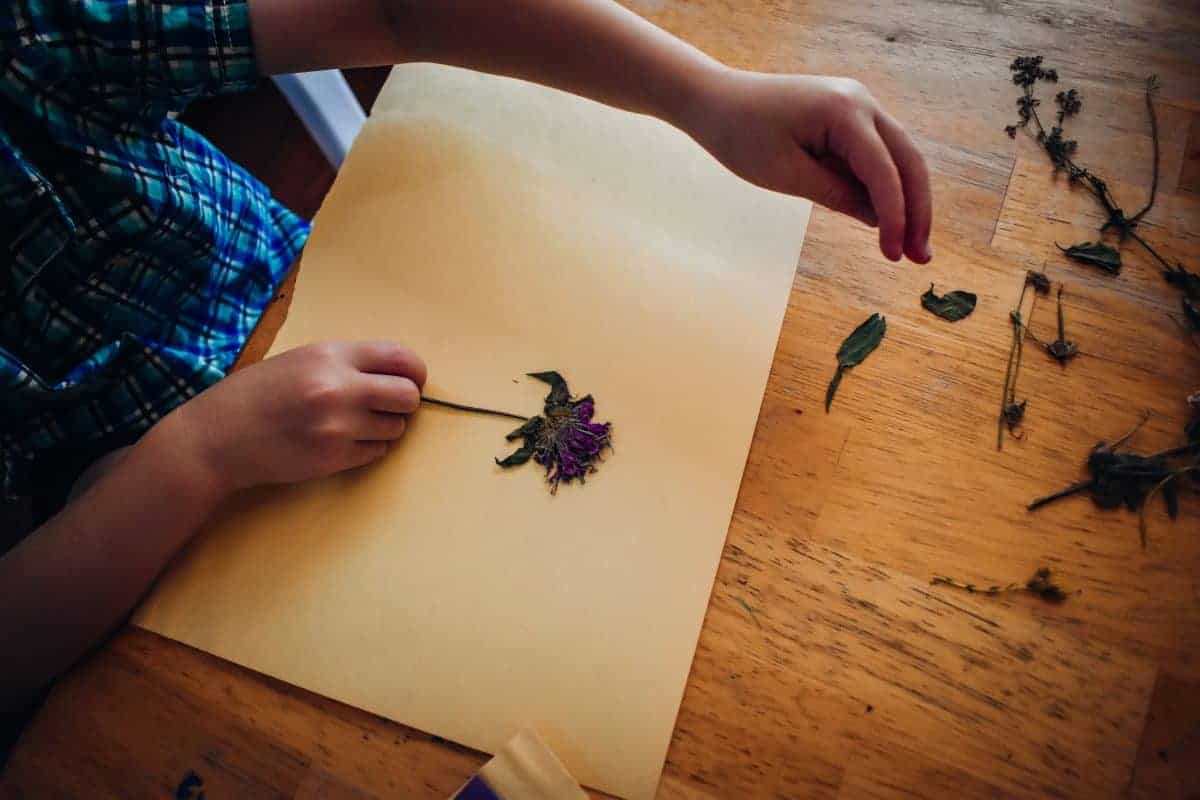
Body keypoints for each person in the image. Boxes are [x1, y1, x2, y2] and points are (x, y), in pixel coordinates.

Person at [0, 0, 932, 706]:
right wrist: (196, 455)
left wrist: (708, 96)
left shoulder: (28, 39)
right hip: (137, 543)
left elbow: (395, 5)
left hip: (319, 279)